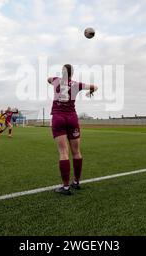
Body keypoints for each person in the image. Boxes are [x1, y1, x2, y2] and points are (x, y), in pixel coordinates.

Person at [48, 64, 98, 195]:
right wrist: (90, 92)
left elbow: (48, 79)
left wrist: (59, 79)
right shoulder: (76, 84)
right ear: (72, 73)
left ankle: (65, 187)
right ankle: (76, 182)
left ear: (62, 72)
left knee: (64, 153)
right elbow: (95, 86)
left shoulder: (55, 80)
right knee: (76, 152)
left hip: (58, 118)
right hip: (72, 118)